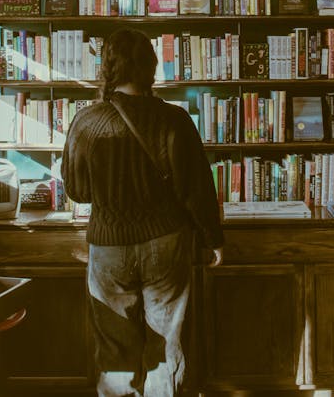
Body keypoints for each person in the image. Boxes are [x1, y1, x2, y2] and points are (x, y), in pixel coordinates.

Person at [62, 28, 224, 397]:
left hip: (108, 248)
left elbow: (77, 191)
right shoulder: (175, 120)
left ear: (108, 69)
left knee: (115, 351)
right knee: (165, 347)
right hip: (166, 244)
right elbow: (197, 188)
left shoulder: (86, 123)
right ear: (150, 68)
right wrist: (213, 240)